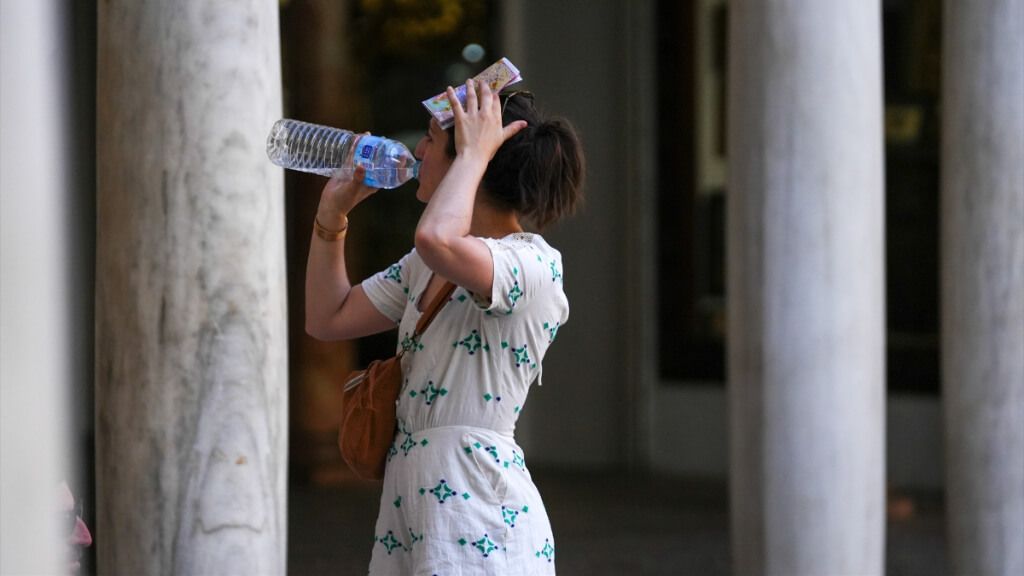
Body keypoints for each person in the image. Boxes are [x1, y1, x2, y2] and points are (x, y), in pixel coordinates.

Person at [305, 78, 584, 575]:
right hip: (412, 507)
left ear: (470, 161)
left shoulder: (533, 264)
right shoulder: (426, 264)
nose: (417, 149)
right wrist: (332, 218)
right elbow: (328, 317)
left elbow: (437, 236)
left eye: (433, 139)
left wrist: (475, 152)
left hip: (478, 504)